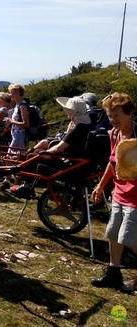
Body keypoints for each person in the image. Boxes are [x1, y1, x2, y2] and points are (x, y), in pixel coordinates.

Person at [90, 92, 137, 292]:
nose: (112, 120)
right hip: (119, 193)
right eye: (110, 115)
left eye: (117, 115)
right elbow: (112, 162)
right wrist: (101, 186)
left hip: (135, 197)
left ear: (130, 114)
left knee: (129, 239)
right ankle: (114, 273)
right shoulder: (114, 134)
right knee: (112, 234)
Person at [28, 97, 93, 157]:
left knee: (33, 155)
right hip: (74, 154)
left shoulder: (77, 128)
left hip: (69, 158)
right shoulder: (87, 124)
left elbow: (58, 149)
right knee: (38, 150)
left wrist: (43, 153)